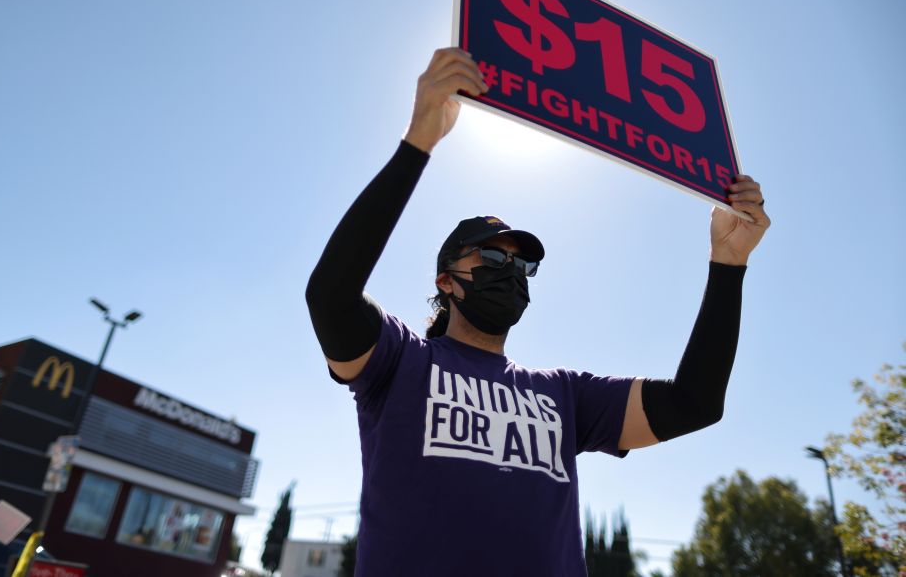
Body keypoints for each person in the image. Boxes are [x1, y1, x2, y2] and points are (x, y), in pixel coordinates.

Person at [305, 48, 770, 576]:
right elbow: (331, 296)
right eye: (494, 255)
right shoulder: (396, 362)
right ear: (446, 280)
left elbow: (695, 403)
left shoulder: (564, 395)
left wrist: (728, 264)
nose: (510, 271)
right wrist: (419, 141)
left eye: (523, 266)